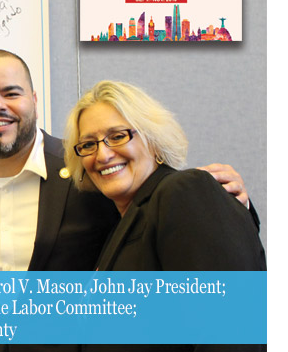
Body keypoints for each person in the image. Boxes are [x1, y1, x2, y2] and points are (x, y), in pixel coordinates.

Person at [0, 49, 257, 352]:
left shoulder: (87, 178)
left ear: (34, 99)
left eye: (11, 92)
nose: (103, 153)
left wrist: (226, 199)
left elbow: (228, 312)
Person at [62, 80, 265, 351]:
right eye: (88, 144)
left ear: (153, 140)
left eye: (118, 136)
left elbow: (230, 332)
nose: (103, 154)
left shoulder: (183, 191)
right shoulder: (123, 224)